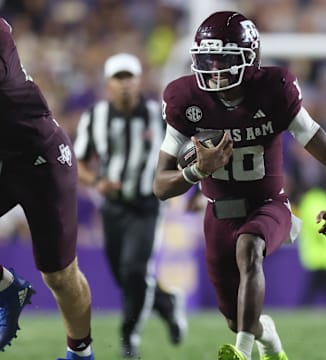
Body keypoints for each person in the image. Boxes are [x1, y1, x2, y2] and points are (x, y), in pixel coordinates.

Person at [153, 11, 326, 360]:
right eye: (207, 61)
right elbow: (160, 185)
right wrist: (198, 171)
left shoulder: (274, 90)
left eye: (225, 60)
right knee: (234, 317)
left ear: (251, 59)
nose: (214, 71)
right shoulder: (186, 99)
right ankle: (267, 339)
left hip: (268, 205)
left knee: (250, 247)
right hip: (218, 214)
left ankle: (242, 352)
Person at [73, 52, 187, 359]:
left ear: (138, 81)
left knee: (135, 269)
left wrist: (196, 189)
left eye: (129, 77)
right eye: (118, 78)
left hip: (148, 203)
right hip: (113, 206)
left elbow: (182, 153)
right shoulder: (95, 116)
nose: (124, 84)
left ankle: (129, 336)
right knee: (124, 275)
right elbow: (79, 162)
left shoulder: (157, 114)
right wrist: (97, 182)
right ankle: (167, 303)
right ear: (108, 84)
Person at [0, 18, 94, 360]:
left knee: (59, 275)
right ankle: (9, 289)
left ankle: (81, 352)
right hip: (4, 161)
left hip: (41, 158)